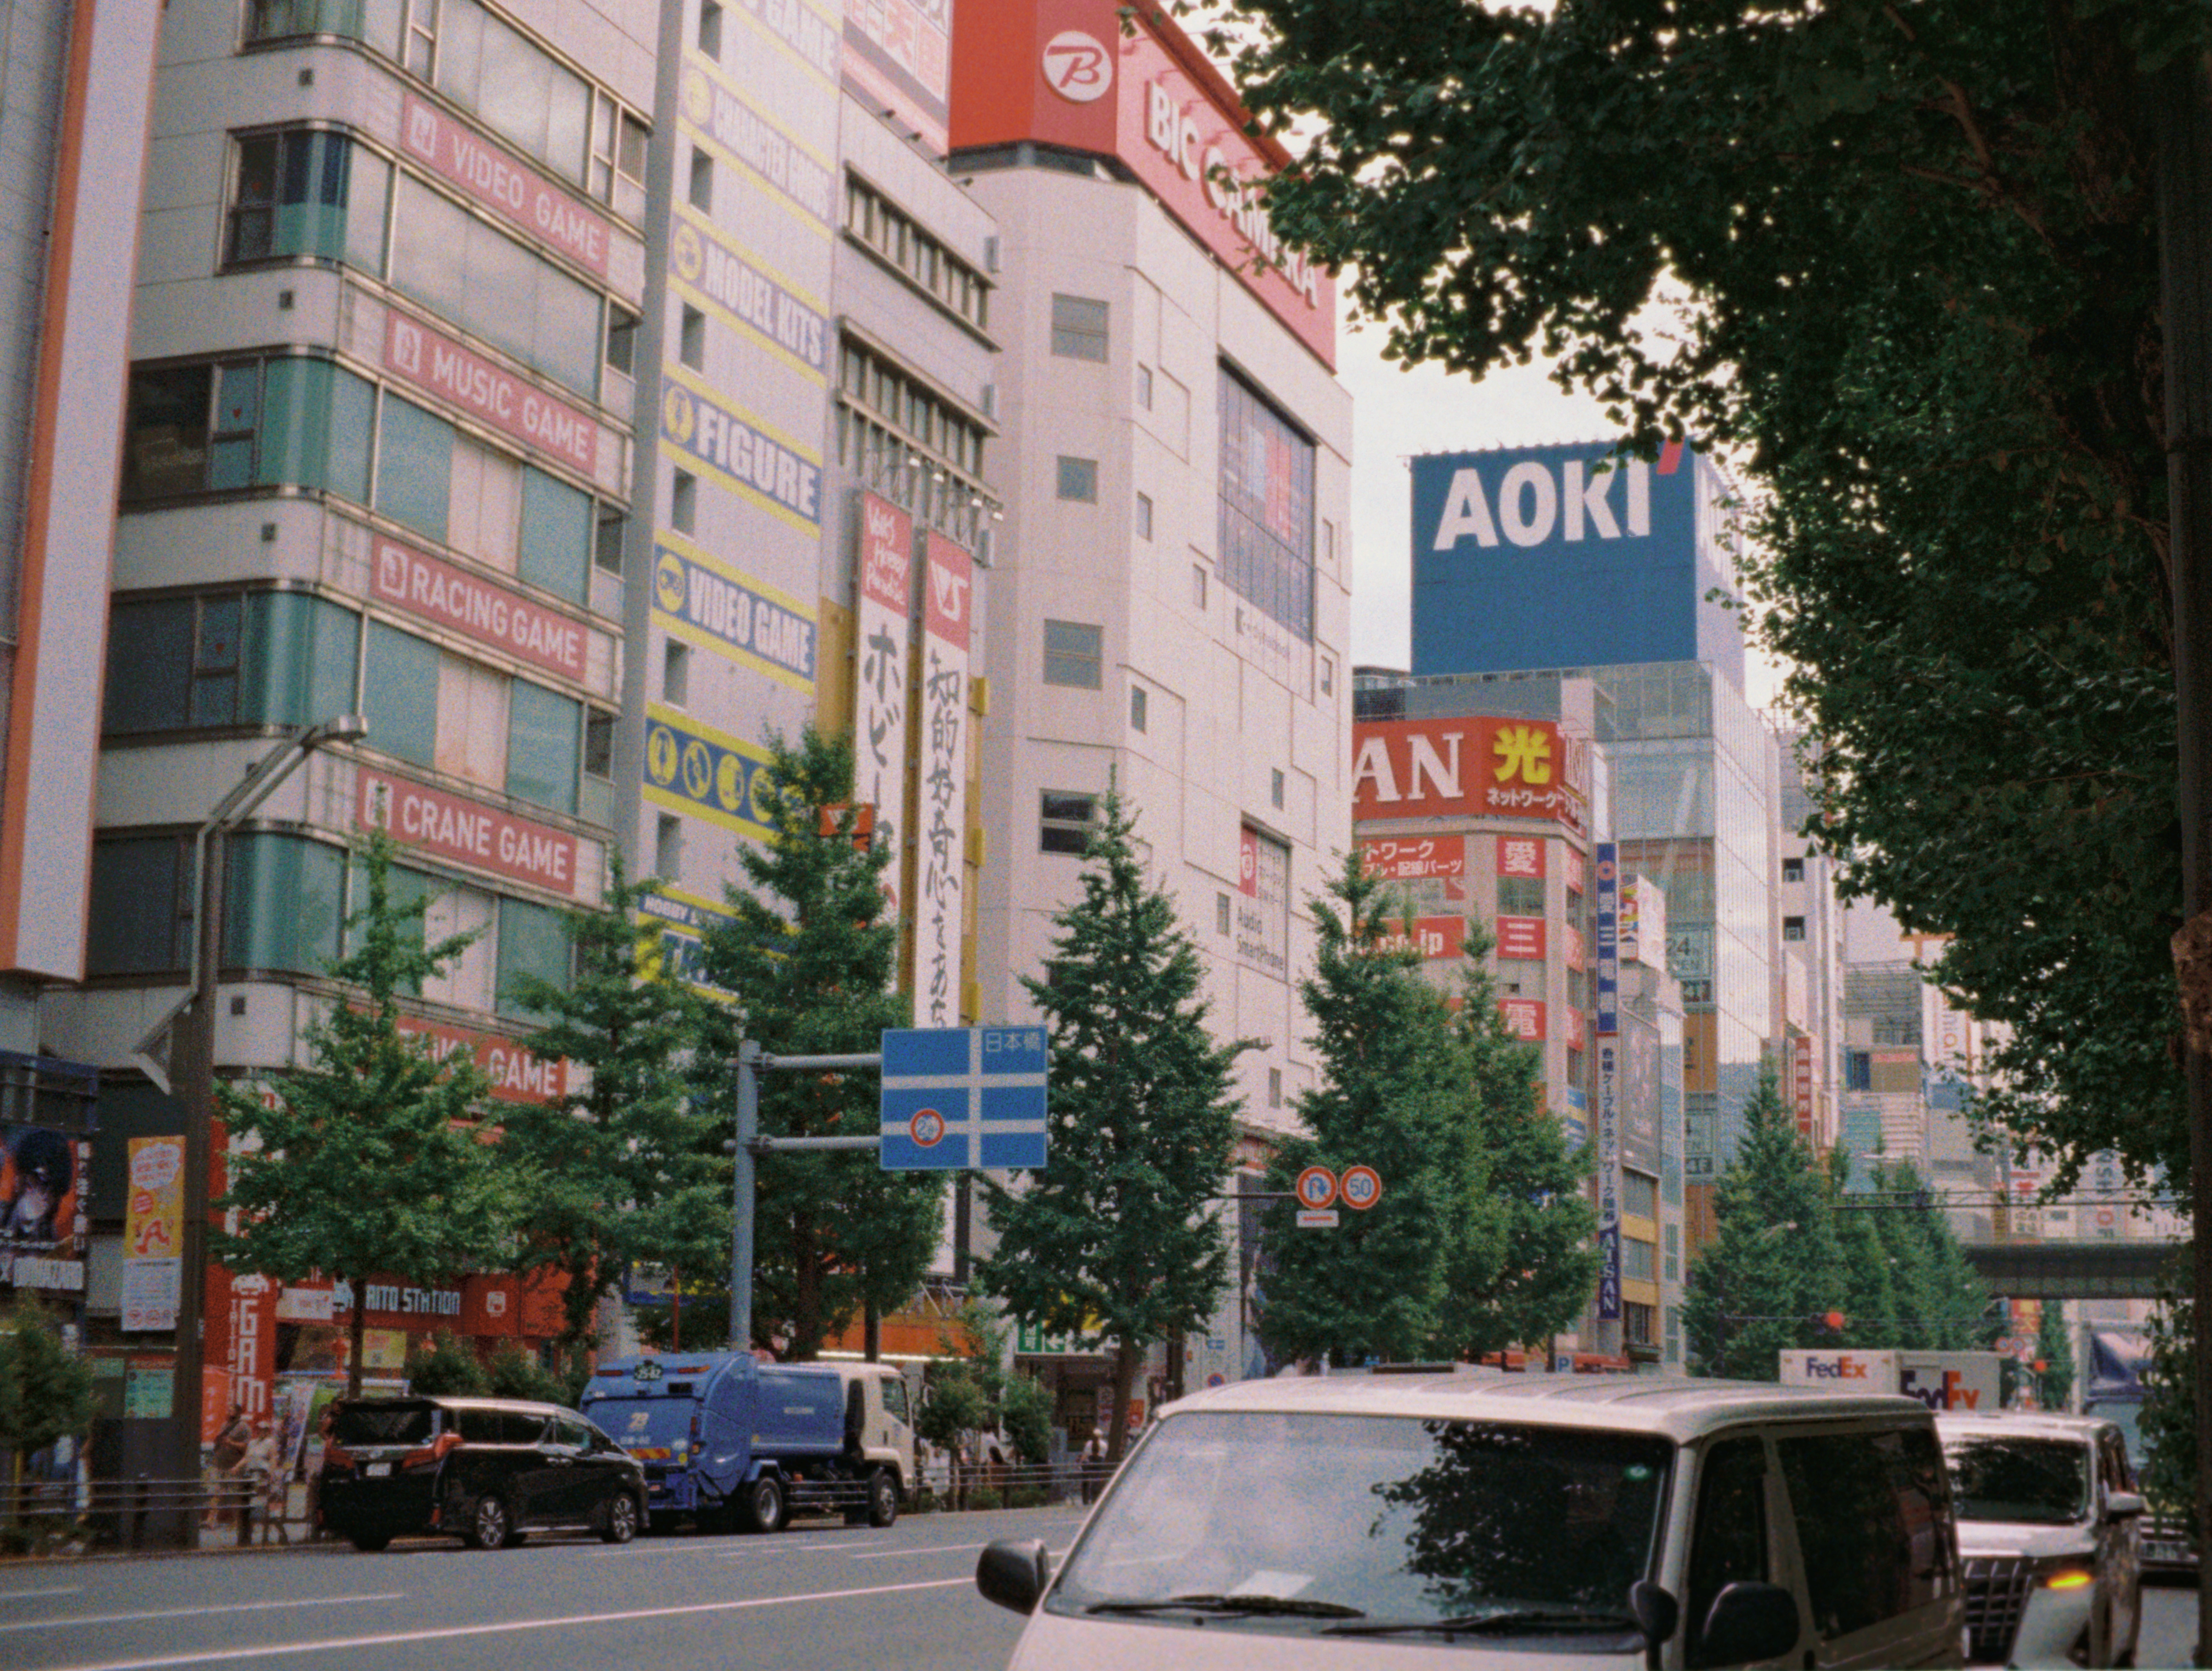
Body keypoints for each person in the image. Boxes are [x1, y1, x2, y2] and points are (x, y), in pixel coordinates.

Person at [206, 1404, 250, 1531]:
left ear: (238, 1412)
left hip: (233, 1465)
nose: (229, 1412)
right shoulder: (225, 1426)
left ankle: (236, 1522)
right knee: (217, 1492)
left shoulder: (244, 1427)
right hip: (220, 1463)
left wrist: (231, 1443)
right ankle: (211, 1520)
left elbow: (245, 1447)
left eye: (231, 1410)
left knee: (234, 1494)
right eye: (229, 1410)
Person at [1080, 1427, 1109, 1503]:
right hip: (1100, 1463)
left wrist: (1081, 1463)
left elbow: (1085, 1455)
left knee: (1086, 1480)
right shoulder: (1104, 1444)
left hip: (1090, 1462)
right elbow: (1105, 1455)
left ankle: (1085, 1499)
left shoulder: (1089, 1443)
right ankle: (1095, 1499)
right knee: (1097, 1481)